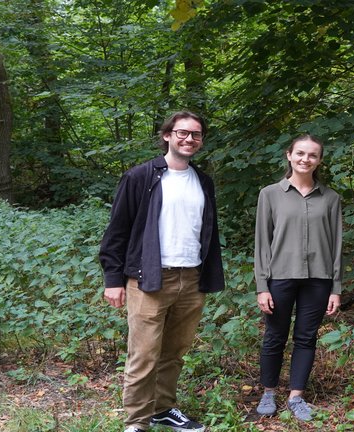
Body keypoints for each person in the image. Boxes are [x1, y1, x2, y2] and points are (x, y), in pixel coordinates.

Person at [99, 111, 225, 432]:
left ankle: (163, 409)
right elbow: (117, 231)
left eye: (196, 134)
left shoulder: (203, 182)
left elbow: (207, 232)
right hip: (149, 277)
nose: (189, 139)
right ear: (167, 135)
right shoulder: (140, 177)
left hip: (192, 278)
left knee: (174, 352)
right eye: (182, 132)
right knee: (143, 355)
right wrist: (113, 279)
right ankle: (136, 422)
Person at [253, 134, 342, 421]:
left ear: (319, 160)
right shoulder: (270, 194)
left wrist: (336, 288)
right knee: (275, 336)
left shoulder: (330, 198)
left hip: (319, 278)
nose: (306, 159)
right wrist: (262, 286)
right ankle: (268, 393)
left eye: (312, 155)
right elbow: (262, 243)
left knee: (306, 337)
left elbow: (337, 245)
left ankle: (296, 396)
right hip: (279, 276)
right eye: (300, 153)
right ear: (289, 155)